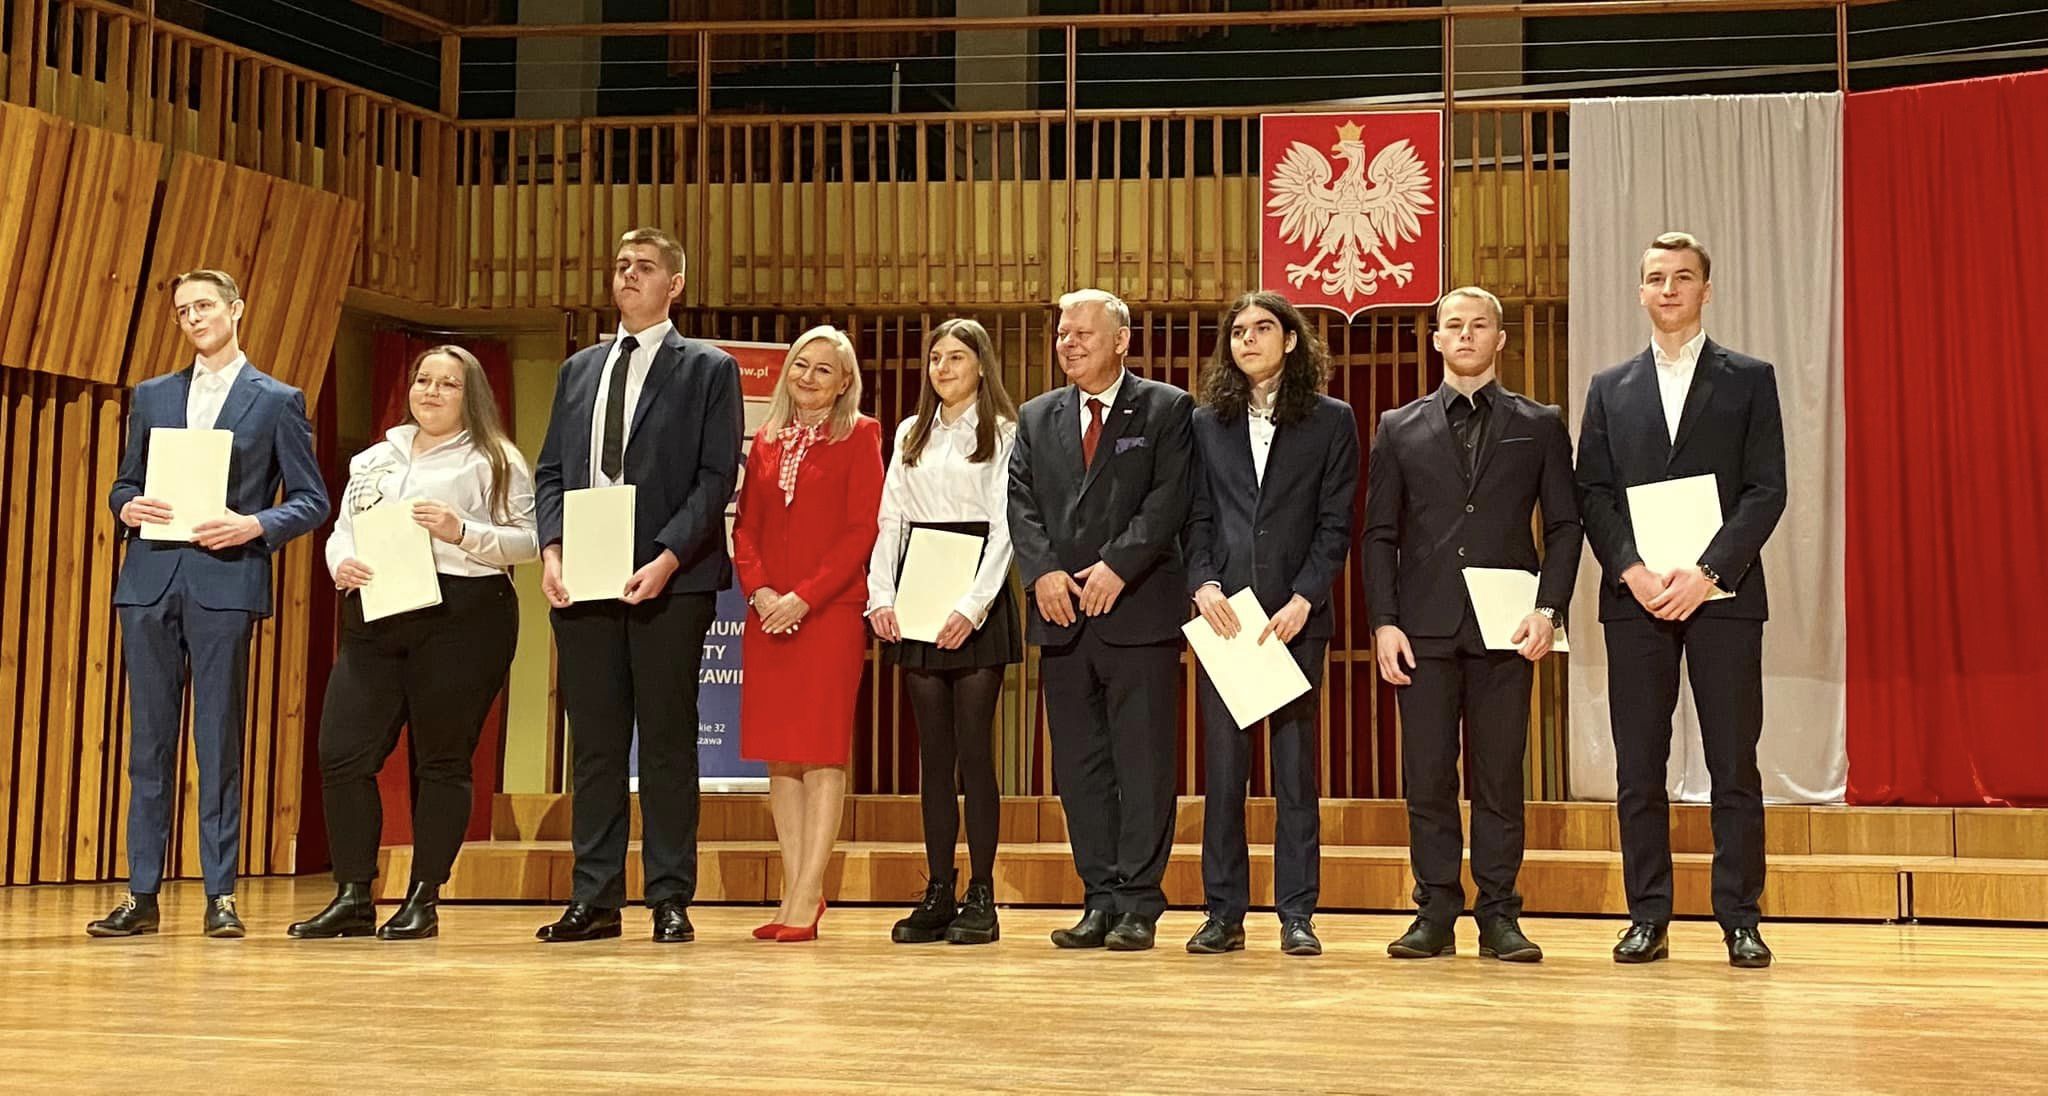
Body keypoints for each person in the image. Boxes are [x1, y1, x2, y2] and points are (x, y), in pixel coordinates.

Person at [92, 269, 329, 939]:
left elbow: (311, 499)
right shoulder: (153, 394)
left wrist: (253, 525)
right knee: (148, 744)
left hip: (225, 583)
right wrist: (125, 507)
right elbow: (125, 482)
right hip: (150, 581)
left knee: (218, 741)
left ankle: (220, 894)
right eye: (182, 310)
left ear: (236, 309)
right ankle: (140, 894)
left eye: (203, 305)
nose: (193, 317)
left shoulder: (277, 400)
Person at [1576, 232, 1786, 969]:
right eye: (1657, 278)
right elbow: (1592, 492)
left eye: (1683, 277)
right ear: (1640, 291)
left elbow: (1767, 489)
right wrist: (1631, 570)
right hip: (1635, 599)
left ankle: (1740, 918)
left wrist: (1708, 571)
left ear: (1706, 290)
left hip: (1723, 596)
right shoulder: (1610, 386)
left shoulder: (1750, 379)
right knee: (1639, 765)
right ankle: (1647, 916)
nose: (1669, 289)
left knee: (1734, 763)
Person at [532, 228, 744, 944]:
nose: (628, 275)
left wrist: (666, 558)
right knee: (594, 746)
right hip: (583, 577)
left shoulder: (708, 368)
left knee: (665, 743)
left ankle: (668, 896)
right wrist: (552, 550)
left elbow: (715, 476)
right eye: (621, 265)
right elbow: (551, 471)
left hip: (670, 582)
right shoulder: (579, 369)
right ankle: (594, 898)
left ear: (674, 285)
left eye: (644, 267)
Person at [288, 345, 536, 941]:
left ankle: (424, 896)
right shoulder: (376, 457)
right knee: (342, 752)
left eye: (448, 384)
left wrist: (461, 530)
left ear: (470, 396)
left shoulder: (495, 458)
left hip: (463, 614)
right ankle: (353, 894)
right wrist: (341, 563)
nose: (431, 392)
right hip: (378, 608)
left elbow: (528, 541)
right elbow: (343, 530)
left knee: (441, 758)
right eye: (423, 380)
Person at [1364, 285, 1581, 963]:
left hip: (1506, 627)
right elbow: (1379, 534)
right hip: (1423, 629)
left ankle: (1499, 914)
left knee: (1499, 777)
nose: (1464, 334)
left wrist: (1550, 609)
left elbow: (1566, 526)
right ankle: (1434, 910)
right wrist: (1384, 622)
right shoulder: (1398, 425)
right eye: (1452, 325)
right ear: (1435, 339)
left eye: (1478, 324)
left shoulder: (1539, 422)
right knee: (1428, 777)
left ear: (1500, 338)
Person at [1009, 288, 1194, 952]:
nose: (1070, 343)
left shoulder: (1167, 408)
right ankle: (1099, 897)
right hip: (1062, 614)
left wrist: (1118, 564)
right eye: (1063, 333)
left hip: (1137, 609)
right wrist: (1042, 572)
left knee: (1143, 764)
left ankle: (1139, 902)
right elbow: (1021, 502)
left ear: (1120, 341)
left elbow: (1169, 498)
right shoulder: (1036, 415)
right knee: (1080, 767)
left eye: (1084, 333)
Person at [1183, 291, 1358, 958]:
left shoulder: (1331, 420)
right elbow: (1196, 517)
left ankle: (1297, 913)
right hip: (1226, 619)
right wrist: (1203, 583)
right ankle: (1223, 913)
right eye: (1238, 331)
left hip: (1293, 620)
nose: (1248, 339)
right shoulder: (1206, 422)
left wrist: (1306, 597)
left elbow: (1336, 523)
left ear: (1290, 340)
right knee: (1225, 775)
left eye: (1263, 328)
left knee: (1294, 774)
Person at [868, 319, 1022, 947]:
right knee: (933, 756)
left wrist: (974, 605)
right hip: (919, 588)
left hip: (975, 589)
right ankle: (938, 887)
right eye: (935, 358)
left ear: (981, 365)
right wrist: (882, 595)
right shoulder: (912, 431)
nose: (943, 368)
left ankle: (981, 892)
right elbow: (892, 519)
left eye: (956, 357)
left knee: (974, 750)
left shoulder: (1004, 433)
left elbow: (1007, 525)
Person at [733, 325, 884, 943]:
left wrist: (804, 597)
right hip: (769, 613)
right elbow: (745, 527)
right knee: (781, 754)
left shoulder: (863, 434)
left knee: (820, 752)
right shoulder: (767, 439)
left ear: (844, 381)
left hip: (827, 613)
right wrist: (761, 592)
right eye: (801, 365)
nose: (809, 377)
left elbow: (861, 530)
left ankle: (805, 891)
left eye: (824, 369)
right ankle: (798, 887)